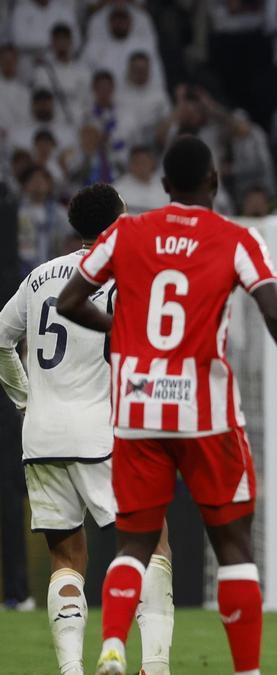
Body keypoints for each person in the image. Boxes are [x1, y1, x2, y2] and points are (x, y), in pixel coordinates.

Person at [55, 137, 277, 675]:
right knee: (233, 545)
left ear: (163, 187)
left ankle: (112, 643)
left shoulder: (125, 231)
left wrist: (123, 331)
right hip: (205, 412)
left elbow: (71, 301)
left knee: (133, 541)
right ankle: (247, 672)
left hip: (136, 407)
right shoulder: (236, 239)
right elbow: (275, 314)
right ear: (214, 182)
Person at [0, 183, 175, 675]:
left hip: (40, 436)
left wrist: (25, 399)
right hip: (103, 433)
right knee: (153, 541)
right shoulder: (123, 273)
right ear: (116, 223)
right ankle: (155, 665)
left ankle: (72, 669)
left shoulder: (38, 277)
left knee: (66, 559)